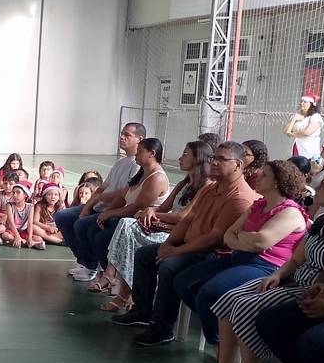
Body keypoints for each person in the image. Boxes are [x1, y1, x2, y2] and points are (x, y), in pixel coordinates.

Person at [198, 167, 324, 363]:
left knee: (245, 307)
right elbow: (297, 259)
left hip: (311, 288)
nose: (318, 188)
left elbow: (260, 241)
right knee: (229, 298)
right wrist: (279, 275)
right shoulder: (322, 222)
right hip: (296, 278)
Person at [118, 141, 257, 346]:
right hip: (190, 244)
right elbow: (188, 220)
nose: (214, 163)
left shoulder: (240, 197)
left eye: (222, 159)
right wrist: (168, 245)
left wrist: (175, 251)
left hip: (213, 253)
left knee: (169, 266)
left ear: (238, 165)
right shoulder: (211, 189)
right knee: (145, 255)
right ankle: (142, 312)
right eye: (214, 158)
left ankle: (162, 328)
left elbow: (214, 238)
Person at [172, 160, 309, 353]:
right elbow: (228, 236)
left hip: (265, 267)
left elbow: (260, 242)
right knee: (183, 281)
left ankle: (220, 343)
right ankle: (223, 332)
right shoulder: (259, 205)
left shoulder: (290, 212)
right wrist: (247, 240)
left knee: (209, 293)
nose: (258, 177)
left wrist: (243, 238)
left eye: (264, 175)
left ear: (277, 182)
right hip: (239, 258)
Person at [102, 141, 213, 313]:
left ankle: (118, 285)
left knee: (128, 228)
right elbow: (163, 207)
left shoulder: (206, 186)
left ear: (198, 158)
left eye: (185, 154)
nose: (180, 158)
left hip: (177, 234)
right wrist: (149, 210)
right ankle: (125, 290)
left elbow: (182, 217)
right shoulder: (183, 184)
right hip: (164, 226)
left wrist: (151, 214)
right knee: (128, 229)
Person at [57, 123, 144, 282]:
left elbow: (125, 194)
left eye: (127, 135)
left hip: (114, 209)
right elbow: (102, 188)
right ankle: (84, 261)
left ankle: (91, 266)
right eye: (121, 133)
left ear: (140, 138)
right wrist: (88, 206)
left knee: (81, 225)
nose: (122, 137)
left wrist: (104, 207)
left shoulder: (138, 166)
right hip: (99, 206)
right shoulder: (120, 162)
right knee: (63, 217)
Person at [81, 137, 169, 292]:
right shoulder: (141, 174)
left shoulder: (157, 178)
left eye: (140, 151)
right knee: (92, 229)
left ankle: (113, 277)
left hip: (144, 224)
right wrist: (104, 207)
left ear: (152, 153)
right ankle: (106, 272)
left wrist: (110, 214)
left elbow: (137, 207)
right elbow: (122, 196)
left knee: (102, 237)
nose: (136, 154)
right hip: (127, 218)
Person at [284, 92, 324, 158]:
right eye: (301, 101)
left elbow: (307, 132)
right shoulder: (296, 116)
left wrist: (292, 134)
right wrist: (294, 119)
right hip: (296, 145)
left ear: (311, 104)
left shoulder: (315, 117)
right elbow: (285, 130)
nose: (302, 103)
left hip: (309, 148)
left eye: (305, 102)